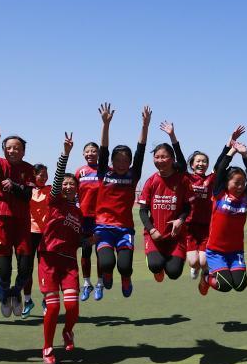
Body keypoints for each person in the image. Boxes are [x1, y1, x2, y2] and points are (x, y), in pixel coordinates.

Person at [160, 121, 245, 282]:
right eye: (198, 161)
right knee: (194, 262)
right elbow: (179, 155)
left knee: (204, 261)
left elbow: (221, 162)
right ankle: (196, 268)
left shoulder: (211, 179)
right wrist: (172, 135)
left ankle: (205, 276)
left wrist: (231, 141)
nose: (201, 163)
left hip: (207, 226)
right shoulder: (186, 177)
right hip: (189, 226)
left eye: (204, 161)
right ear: (192, 165)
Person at [93, 103, 150, 299]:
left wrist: (145, 126)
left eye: (125, 160)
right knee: (107, 263)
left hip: (124, 229)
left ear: (130, 162)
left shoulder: (133, 174)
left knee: (124, 266)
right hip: (103, 227)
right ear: (111, 161)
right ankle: (107, 274)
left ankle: (126, 278)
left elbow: (141, 149)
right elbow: (103, 149)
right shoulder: (104, 172)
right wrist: (106, 124)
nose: (121, 164)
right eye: (117, 160)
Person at [39, 133, 84, 364]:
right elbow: (57, 179)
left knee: (72, 307)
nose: (67, 186)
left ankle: (68, 331)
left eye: (71, 184)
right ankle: (47, 347)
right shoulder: (54, 201)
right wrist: (65, 154)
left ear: (77, 189)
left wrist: (90, 240)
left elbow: (79, 240)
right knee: (54, 306)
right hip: (48, 259)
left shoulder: (78, 213)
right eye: (65, 184)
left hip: (69, 263)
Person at [0, 127, 36, 317]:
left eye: (17, 148)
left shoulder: (29, 169)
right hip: (2, 220)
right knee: (4, 268)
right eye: (9, 148)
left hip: (22, 221)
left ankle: (16, 292)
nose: (12, 151)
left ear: (23, 151)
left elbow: (27, 195)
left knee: (25, 266)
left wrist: (14, 186)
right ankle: (5, 293)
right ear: (4, 150)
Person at [201, 141, 247, 295]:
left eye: (243, 183)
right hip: (216, 251)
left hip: (235, 251)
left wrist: (245, 155)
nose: (240, 186)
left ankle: (219, 273)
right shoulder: (219, 194)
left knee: (240, 285)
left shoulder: (245, 197)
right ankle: (205, 277)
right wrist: (231, 152)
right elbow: (220, 170)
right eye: (236, 183)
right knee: (224, 285)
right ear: (226, 183)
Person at [138, 138, 193, 282]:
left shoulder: (183, 180)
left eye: (164, 157)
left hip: (176, 236)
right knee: (155, 265)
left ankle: (170, 264)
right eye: (156, 157)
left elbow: (188, 206)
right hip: (155, 236)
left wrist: (180, 220)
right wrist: (151, 230)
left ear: (172, 159)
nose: (160, 160)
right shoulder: (151, 181)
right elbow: (143, 211)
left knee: (174, 273)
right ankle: (157, 267)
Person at [74, 142, 100, 300]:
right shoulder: (80, 172)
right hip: (84, 218)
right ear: (83, 154)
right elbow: (73, 192)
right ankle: (87, 283)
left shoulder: (105, 170)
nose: (90, 153)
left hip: (101, 218)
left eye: (93, 151)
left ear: (99, 153)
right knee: (86, 251)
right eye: (87, 151)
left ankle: (100, 283)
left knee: (101, 252)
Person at [24, 163, 51, 316]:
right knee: (26, 269)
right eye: (41, 174)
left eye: (46, 174)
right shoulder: (27, 190)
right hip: (29, 233)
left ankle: (46, 300)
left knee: (45, 269)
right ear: (33, 175)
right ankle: (27, 300)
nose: (44, 177)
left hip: (45, 235)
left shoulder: (50, 189)